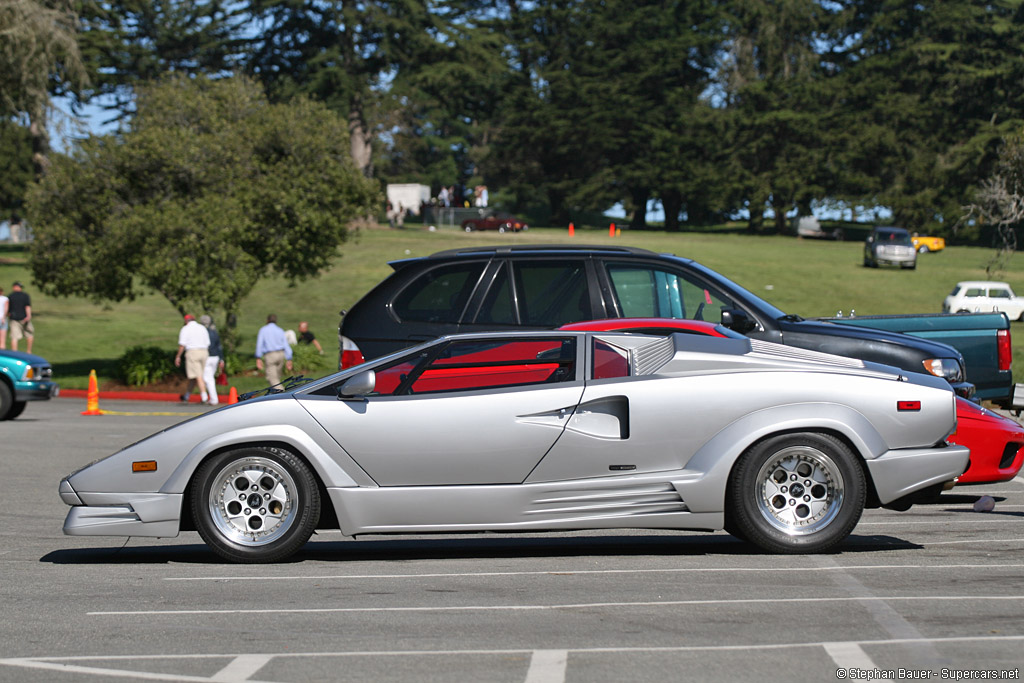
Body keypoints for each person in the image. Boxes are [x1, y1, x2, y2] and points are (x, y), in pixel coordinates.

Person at [174, 313, 210, 404]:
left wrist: (178, 356)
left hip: (193, 352)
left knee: (198, 376)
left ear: (186, 321)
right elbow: (207, 343)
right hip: (204, 352)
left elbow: (182, 344)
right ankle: (187, 396)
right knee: (194, 376)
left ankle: (204, 396)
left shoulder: (185, 329)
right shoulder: (202, 328)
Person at [255, 314, 293, 387]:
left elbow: (259, 344)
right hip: (281, 354)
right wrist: (289, 358)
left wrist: (258, 357)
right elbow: (286, 345)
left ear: (267, 320)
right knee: (277, 378)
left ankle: (282, 395)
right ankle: (275, 395)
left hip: (270, 355)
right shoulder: (280, 330)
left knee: (272, 379)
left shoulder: (263, 330)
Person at [198, 315, 225, 405]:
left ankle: (213, 399)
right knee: (209, 378)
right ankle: (211, 397)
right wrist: (221, 359)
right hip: (216, 357)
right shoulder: (214, 331)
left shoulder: (203, 332)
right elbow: (219, 346)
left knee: (208, 378)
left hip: (208, 357)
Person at [7, 281, 33, 353]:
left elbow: (8, 307)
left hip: (14, 318)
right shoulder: (25, 295)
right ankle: (29, 351)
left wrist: (8, 314)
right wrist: (28, 316)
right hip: (24, 318)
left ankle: (15, 353)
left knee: (14, 337)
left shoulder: (10, 296)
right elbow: (27, 306)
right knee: (29, 334)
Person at [0, 286, 7, 350]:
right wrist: (4, 317)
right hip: (2, 319)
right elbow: (6, 309)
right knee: (2, 341)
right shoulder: (5, 299)